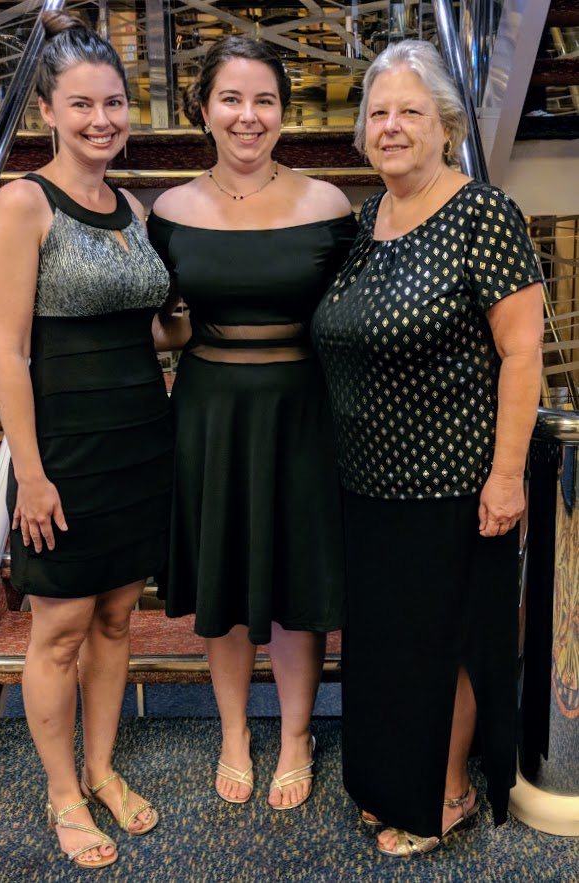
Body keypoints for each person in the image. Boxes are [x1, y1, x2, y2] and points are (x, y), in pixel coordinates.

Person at [312, 39, 544, 857]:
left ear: (444, 123)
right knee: (386, 647)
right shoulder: (367, 218)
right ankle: (390, 781)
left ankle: (446, 793)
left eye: (410, 110)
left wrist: (507, 475)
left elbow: (522, 352)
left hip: (453, 480)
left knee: (443, 642)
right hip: (367, 484)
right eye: (378, 113)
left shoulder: (482, 213)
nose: (391, 126)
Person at [0, 11, 172, 869]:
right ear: (47, 112)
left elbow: (150, 330)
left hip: (140, 440)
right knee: (58, 627)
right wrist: (33, 474)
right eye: (83, 105)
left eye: (116, 103)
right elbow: (10, 353)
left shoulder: (131, 204)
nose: (103, 120)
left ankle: (99, 767)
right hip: (65, 449)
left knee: (120, 616)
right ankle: (62, 792)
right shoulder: (23, 202)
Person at [148, 36, 356, 810]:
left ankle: (297, 732)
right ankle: (235, 728)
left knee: (299, 577)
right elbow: (169, 323)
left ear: (283, 112)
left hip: (302, 412)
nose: (248, 115)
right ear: (204, 110)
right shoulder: (168, 211)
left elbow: (349, 320)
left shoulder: (328, 205)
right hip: (208, 412)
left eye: (264, 99)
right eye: (231, 98)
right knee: (223, 572)